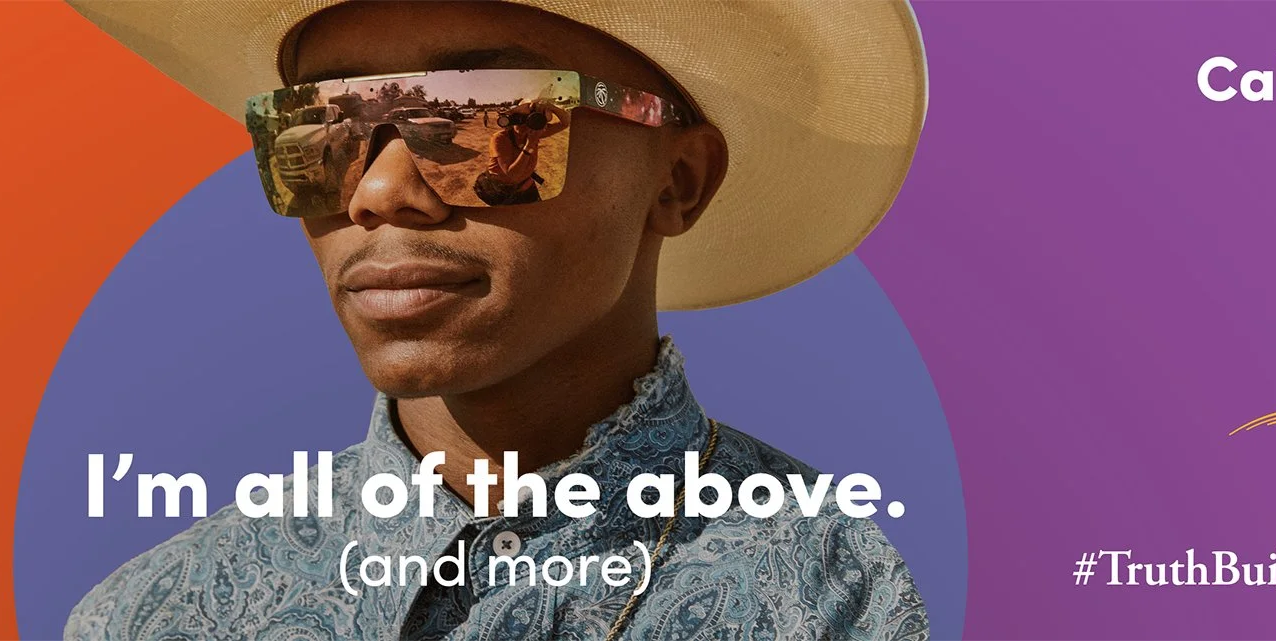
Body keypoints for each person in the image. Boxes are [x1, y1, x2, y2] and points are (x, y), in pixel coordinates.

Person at [64, 1, 928, 639]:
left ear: (677, 182)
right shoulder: (154, 614)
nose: (377, 191)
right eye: (318, 130)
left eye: (480, 115)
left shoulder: (835, 599)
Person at [473, 99, 567, 205]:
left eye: (529, 121)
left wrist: (551, 107)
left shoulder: (534, 132)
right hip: (503, 191)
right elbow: (512, 174)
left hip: (526, 186)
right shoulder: (501, 138)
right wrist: (530, 144)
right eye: (518, 119)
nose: (523, 126)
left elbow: (565, 123)